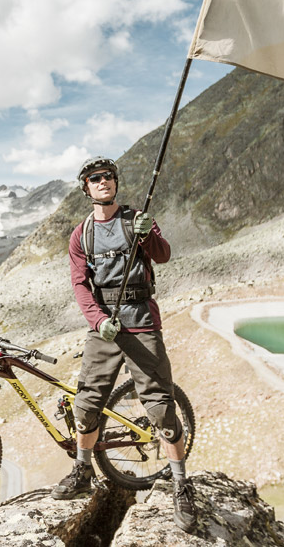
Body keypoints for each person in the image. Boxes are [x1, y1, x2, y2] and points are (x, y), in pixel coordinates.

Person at [50, 156, 196, 531]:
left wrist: (148, 234)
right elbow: (81, 285)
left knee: (161, 410)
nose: (103, 182)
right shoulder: (81, 235)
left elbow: (163, 256)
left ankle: (181, 484)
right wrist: (98, 321)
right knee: (85, 405)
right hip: (105, 329)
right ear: (86, 188)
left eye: (108, 177)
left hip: (142, 322)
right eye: (94, 178)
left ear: (116, 182)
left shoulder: (136, 219)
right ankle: (82, 471)